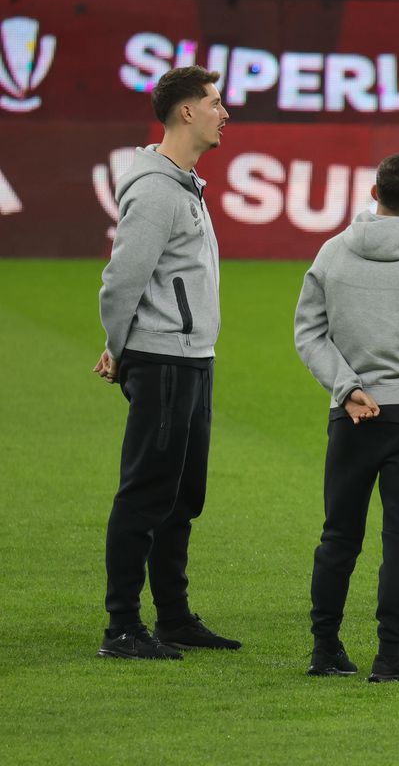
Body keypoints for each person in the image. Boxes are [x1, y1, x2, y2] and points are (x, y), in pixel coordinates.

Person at [294, 151, 399, 682]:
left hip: (353, 414)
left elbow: (309, 334)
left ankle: (325, 650)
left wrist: (348, 388)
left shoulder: (332, 254)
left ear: (373, 193)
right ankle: (391, 656)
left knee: (338, 536)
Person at [95, 65, 239, 659]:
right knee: (146, 492)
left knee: (182, 495)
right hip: (162, 358)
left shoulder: (182, 182)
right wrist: (121, 347)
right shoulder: (156, 189)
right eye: (214, 102)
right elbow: (120, 280)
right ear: (187, 112)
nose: (224, 112)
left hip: (190, 358)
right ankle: (122, 626)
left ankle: (173, 616)